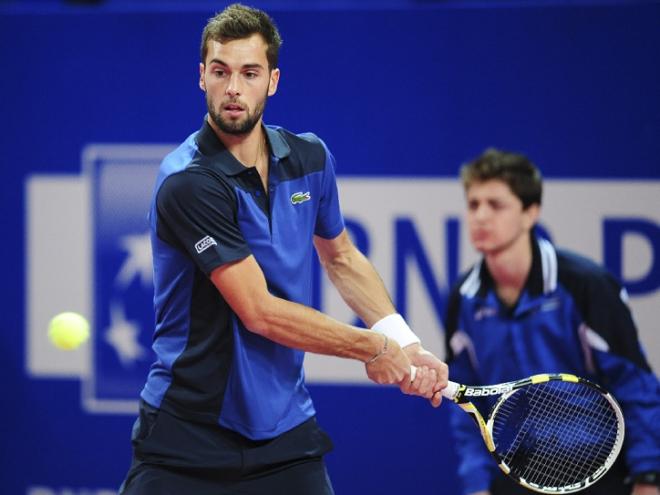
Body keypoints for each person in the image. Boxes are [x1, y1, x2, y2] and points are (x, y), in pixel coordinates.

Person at [118, 4, 447, 494]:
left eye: (249, 73)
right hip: (187, 434)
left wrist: (402, 338)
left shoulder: (310, 157)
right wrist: (373, 348)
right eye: (220, 71)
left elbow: (341, 257)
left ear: (272, 81)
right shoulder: (188, 183)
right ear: (201, 77)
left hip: (286, 435)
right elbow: (260, 313)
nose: (233, 88)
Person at [443, 148, 660, 495]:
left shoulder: (586, 284)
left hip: (600, 470)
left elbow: (636, 385)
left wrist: (649, 477)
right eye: (473, 204)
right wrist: (476, 484)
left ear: (531, 213)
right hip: (517, 471)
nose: (480, 216)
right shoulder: (463, 298)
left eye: (495, 205)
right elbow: (467, 403)